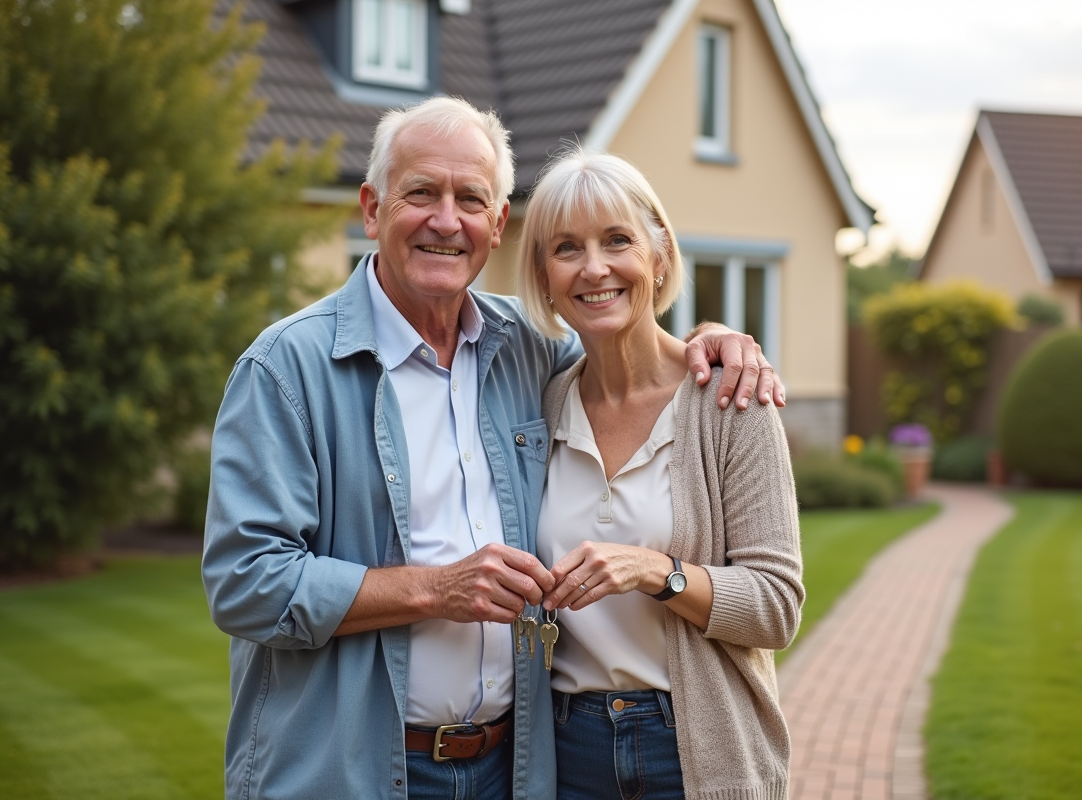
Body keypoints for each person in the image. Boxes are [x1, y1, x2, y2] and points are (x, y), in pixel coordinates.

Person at [202, 97, 782, 800]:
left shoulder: (527, 354)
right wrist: (435, 588)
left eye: (470, 199)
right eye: (421, 193)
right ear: (371, 208)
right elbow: (245, 584)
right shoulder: (285, 369)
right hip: (358, 771)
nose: (446, 220)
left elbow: (625, 339)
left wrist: (715, 341)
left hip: (516, 768)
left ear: (497, 224)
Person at [516, 148, 804, 799]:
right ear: (545, 276)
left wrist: (655, 571)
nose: (595, 268)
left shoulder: (731, 402)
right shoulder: (541, 403)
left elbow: (776, 607)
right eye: (567, 248)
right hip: (565, 749)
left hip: (695, 742)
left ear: (660, 254)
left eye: (617, 240)